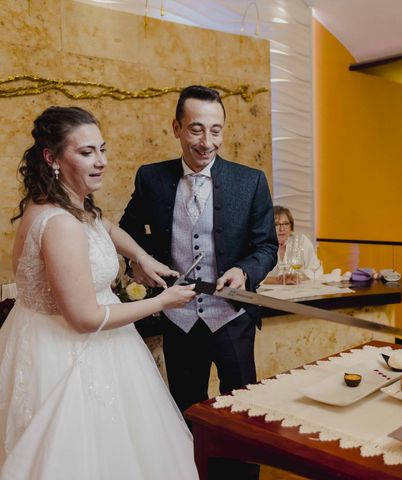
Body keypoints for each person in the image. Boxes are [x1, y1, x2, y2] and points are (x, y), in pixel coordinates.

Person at [0, 106, 198, 478]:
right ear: (52, 157)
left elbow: (105, 227)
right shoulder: (60, 225)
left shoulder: (68, 206)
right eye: (86, 152)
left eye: (102, 149)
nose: (101, 161)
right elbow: (85, 318)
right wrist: (162, 302)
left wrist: (141, 256)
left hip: (54, 342)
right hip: (68, 357)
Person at [119, 85, 278, 414]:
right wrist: (138, 262)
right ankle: (191, 468)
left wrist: (244, 271)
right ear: (176, 127)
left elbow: (266, 246)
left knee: (242, 412)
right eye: (196, 129)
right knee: (186, 411)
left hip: (231, 319)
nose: (207, 142)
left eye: (215, 130)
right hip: (179, 319)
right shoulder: (151, 178)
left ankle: (238, 469)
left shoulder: (251, 182)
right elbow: (126, 231)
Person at [267, 205, 321, 283]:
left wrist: (299, 277)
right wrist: (279, 280)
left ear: (291, 226)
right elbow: (256, 277)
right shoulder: (262, 247)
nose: (282, 229)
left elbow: (316, 269)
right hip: (269, 292)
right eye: (276, 224)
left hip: (298, 290)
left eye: (285, 224)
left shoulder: (302, 241)